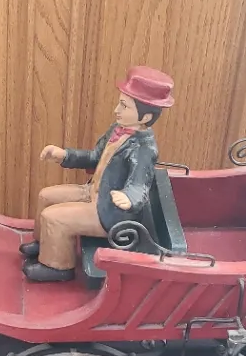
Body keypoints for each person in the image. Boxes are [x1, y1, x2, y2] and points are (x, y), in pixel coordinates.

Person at [20, 66, 175, 282]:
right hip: (93, 191)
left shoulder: (144, 149)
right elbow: (95, 157)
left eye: (124, 106)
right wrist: (65, 155)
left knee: (53, 218)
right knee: (46, 196)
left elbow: (140, 183)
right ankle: (45, 243)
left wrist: (129, 197)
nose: (116, 110)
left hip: (109, 211)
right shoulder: (117, 129)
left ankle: (57, 266)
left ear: (146, 116)